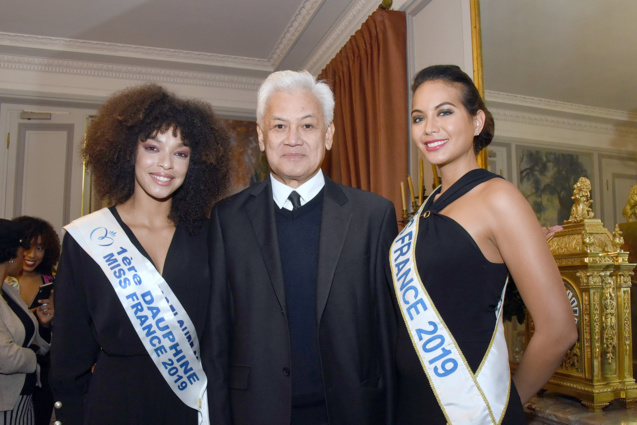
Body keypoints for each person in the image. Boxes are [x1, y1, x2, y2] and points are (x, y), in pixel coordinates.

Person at [202, 70, 398, 425]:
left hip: (351, 410)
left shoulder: (373, 215)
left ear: (329, 134)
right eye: (279, 127)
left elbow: (387, 333)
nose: (293, 139)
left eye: (307, 126)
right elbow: (216, 337)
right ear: (261, 137)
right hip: (256, 412)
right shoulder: (227, 219)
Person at [390, 64, 578, 424]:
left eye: (444, 111)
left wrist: (506, 404)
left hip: (471, 410)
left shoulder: (498, 198)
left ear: (476, 122)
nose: (429, 128)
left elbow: (558, 330)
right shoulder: (425, 211)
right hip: (412, 407)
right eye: (418, 117)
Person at [49, 84, 232, 425]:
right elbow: (69, 353)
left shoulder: (212, 237)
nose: (166, 164)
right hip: (113, 403)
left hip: (192, 406)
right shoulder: (87, 239)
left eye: (181, 153)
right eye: (152, 147)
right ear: (126, 151)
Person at [4, 216, 60, 425]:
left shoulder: (53, 284)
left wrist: (50, 322)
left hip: (40, 376)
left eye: (39, 248)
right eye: (26, 247)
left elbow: (62, 336)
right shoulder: (5, 283)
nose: (31, 255)